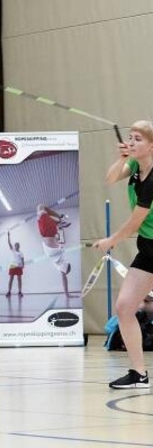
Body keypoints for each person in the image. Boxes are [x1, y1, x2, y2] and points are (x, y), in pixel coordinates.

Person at [93, 119, 153, 389]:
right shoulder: (134, 167)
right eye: (130, 137)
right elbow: (110, 178)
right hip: (149, 248)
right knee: (125, 307)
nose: (132, 142)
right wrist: (121, 158)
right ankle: (139, 373)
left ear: (152, 145)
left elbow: (137, 220)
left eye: (138, 139)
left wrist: (111, 240)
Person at [37, 203, 71, 297]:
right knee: (41, 208)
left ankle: (60, 219)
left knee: (41, 207)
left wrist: (67, 294)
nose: (64, 271)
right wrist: (67, 294)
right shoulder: (61, 263)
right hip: (48, 235)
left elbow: (64, 278)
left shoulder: (60, 263)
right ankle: (60, 221)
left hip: (47, 235)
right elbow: (64, 278)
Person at [6, 231, 24, 297]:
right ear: (15, 246)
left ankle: (20, 292)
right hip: (12, 266)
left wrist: (23, 265)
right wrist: (8, 236)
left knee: (19, 279)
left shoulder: (21, 253)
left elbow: (22, 260)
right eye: (16, 245)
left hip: (19, 267)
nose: (17, 246)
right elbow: (9, 243)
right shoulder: (13, 250)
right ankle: (9, 292)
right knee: (11, 279)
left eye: (18, 245)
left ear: (19, 246)